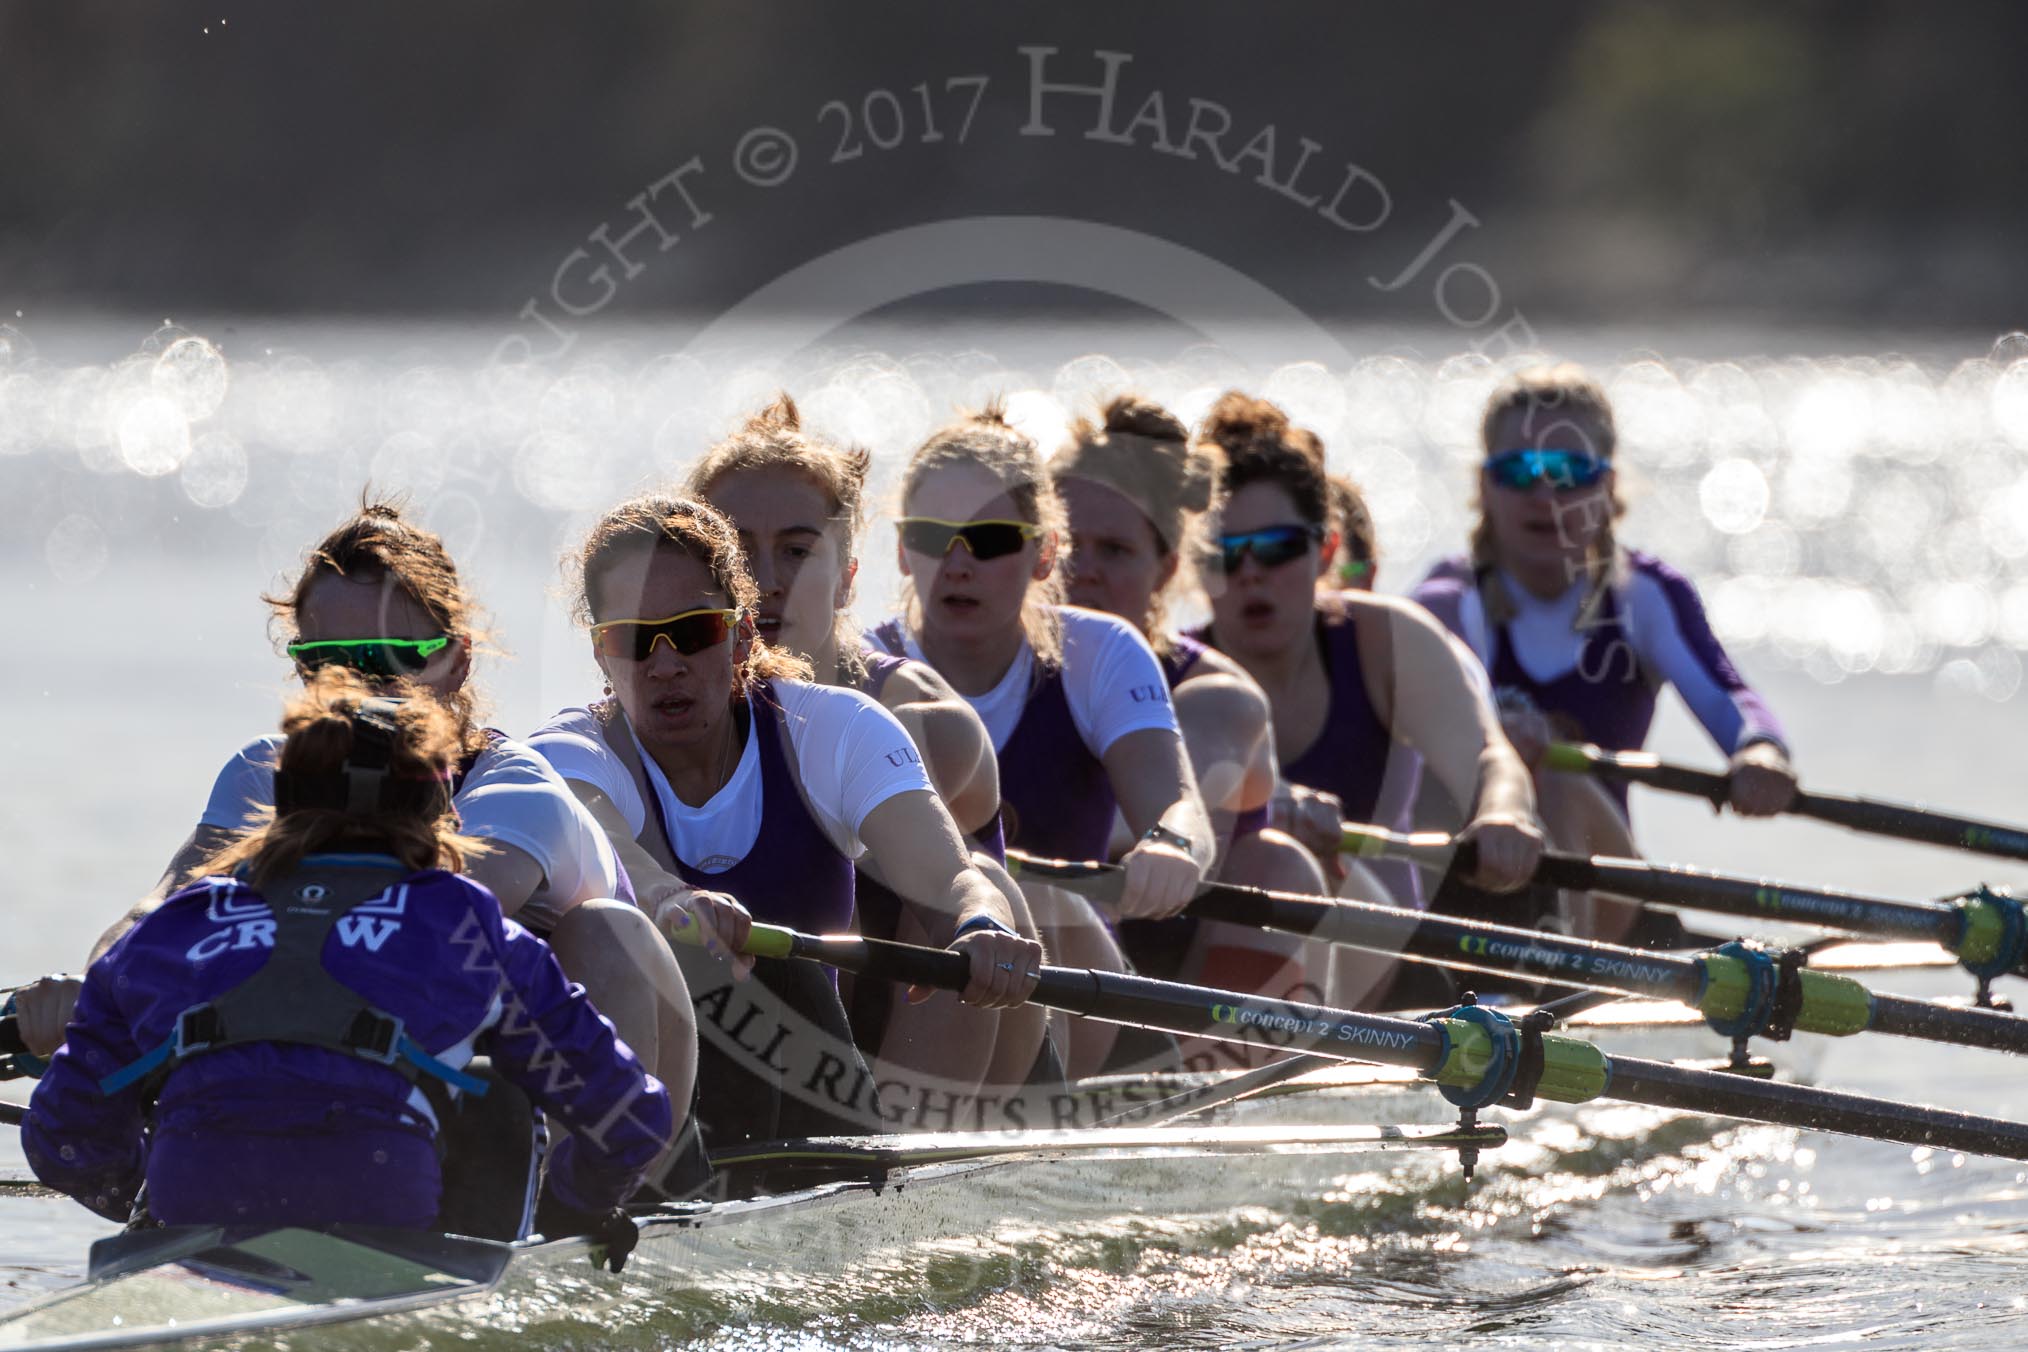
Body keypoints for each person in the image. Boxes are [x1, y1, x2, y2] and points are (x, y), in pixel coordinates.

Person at [13, 504, 703, 1192]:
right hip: (367, 1109)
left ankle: (584, 1208)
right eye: (327, 664)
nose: (355, 692)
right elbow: (159, 914)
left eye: (382, 663)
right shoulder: (264, 771)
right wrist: (89, 993)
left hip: (571, 1091)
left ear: (456, 661)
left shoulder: (517, 790)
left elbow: (409, 932)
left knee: (606, 927)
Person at [25, 672, 671, 1248]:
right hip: (389, 1221)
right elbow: (631, 1117)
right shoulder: (470, 927)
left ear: (279, 807)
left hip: (192, 1217)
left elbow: (60, 1136)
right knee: (498, 1096)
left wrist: (141, 1191)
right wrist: (574, 1209)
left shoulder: (177, 925)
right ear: (442, 815)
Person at [529, 494, 1041, 1147]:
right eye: (630, 640)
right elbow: (604, 840)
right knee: (704, 960)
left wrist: (980, 925)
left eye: (693, 632)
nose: (663, 664)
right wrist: (669, 898)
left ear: (743, 634)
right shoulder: (569, 753)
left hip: (815, 1082)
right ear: (602, 656)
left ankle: (899, 1176)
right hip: (666, 1105)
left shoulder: (833, 730)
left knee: (798, 973)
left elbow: (949, 877)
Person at [685, 394, 1052, 1113]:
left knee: (976, 879)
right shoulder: (655, 707)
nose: (764, 580)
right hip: (783, 1049)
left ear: (851, 576)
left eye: (796, 550)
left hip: (940, 1059)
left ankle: (891, 1166)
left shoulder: (927, 722)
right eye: (733, 550)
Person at [868, 401, 1216, 1078]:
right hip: (910, 979)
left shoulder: (1099, 651)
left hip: (1072, 977)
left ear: (1044, 553)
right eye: (934, 537)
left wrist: (1171, 844)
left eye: (990, 538)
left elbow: (1178, 805)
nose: (958, 563)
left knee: (1034, 902)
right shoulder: (861, 665)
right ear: (903, 552)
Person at [1411, 365, 1796, 942]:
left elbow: (1730, 699)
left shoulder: (1644, 598)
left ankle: (1561, 975)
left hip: (1604, 896)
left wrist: (1760, 753)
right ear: (1486, 487)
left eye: (1569, 472)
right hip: (1464, 883)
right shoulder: (1445, 605)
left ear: (1607, 487)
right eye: (1519, 471)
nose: (1545, 495)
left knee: (1560, 774)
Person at [1188, 392, 1544, 1008]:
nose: (1249, 573)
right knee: (1271, 861)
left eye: (1276, 548)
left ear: (1325, 551)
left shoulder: (1386, 641)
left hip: (1382, 975)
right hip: (1222, 964)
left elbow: (1490, 759)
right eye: (1224, 554)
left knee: (1291, 866)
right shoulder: (1171, 672)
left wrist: (1505, 816)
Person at [1049, 394, 1332, 1057]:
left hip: (1173, 985)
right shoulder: (991, 669)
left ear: (1168, 568)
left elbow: (1175, 810)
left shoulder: (1216, 694)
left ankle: (1211, 1089)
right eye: (1067, 547)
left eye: (1114, 550)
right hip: (1043, 960)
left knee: (1276, 864)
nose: (1082, 571)